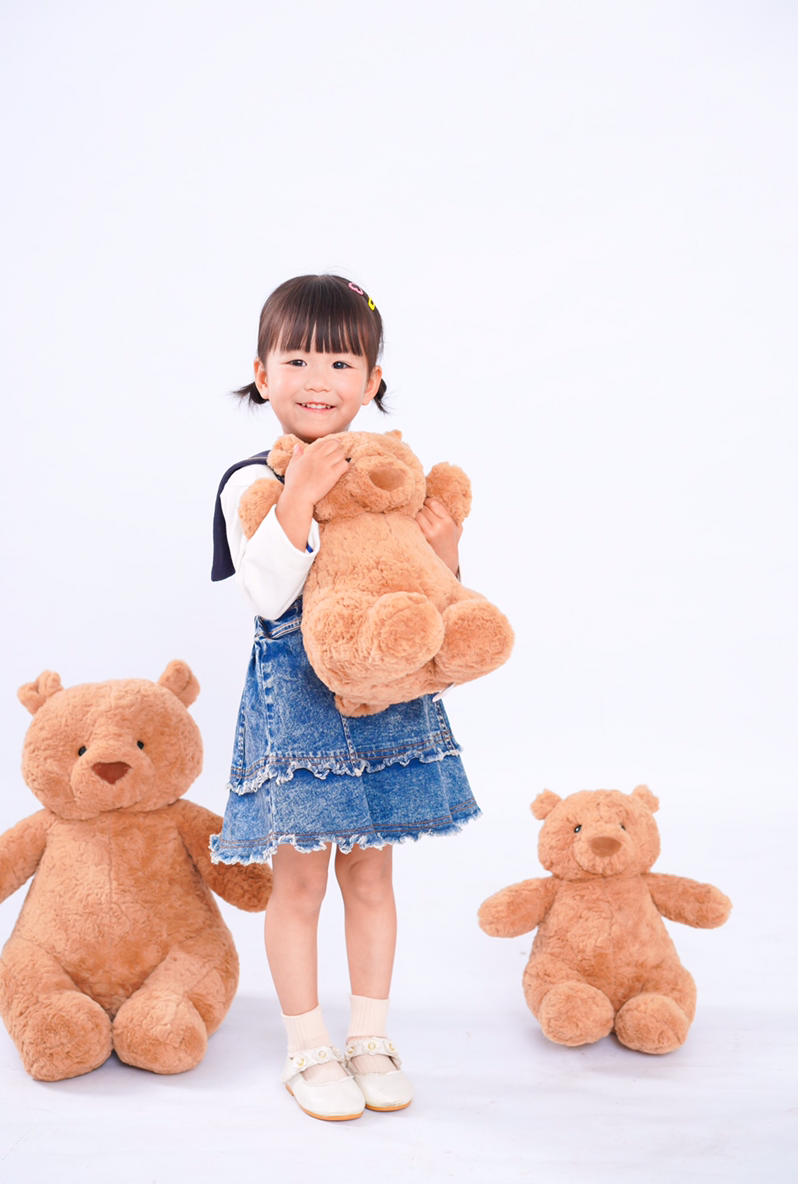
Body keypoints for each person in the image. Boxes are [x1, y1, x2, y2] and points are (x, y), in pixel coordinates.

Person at [210, 274, 480, 1122]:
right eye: (296, 360)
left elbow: (430, 597)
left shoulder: (395, 477)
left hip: (387, 695)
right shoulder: (249, 481)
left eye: (340, 362)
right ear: (262, 374)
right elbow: (266, 595)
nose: (317, 379)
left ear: (372, 382)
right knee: (300, 883)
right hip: (298, 700)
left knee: (371, 874)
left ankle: (370, 1036)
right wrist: (298, 495)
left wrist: (449, 549)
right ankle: (306, 1046)